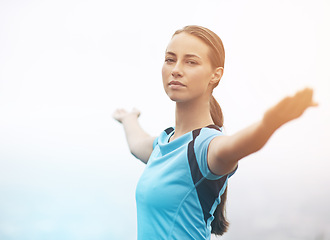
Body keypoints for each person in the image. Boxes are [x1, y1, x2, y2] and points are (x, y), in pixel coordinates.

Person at [113, 25, 317, 240]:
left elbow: (236, 146)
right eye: (170, 59)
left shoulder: (205, 147)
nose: (176, 69)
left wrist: (269, 124)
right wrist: (128, 118)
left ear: (215, 75)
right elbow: (137, 144)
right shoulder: (164, 144)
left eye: (191, 62)